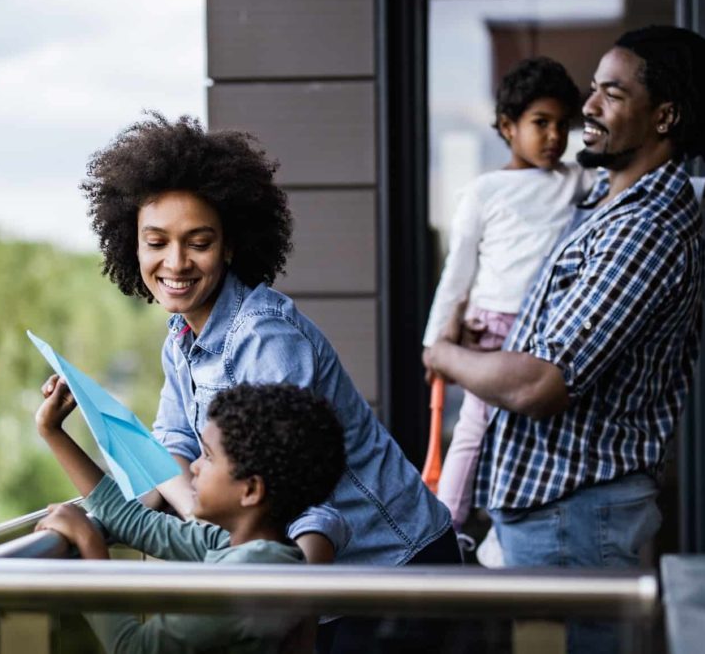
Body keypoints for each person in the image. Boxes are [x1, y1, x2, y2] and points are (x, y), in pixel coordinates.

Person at [83, 113, 459, 650]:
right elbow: (171, 450)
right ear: (131, 245)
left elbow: (308, 502)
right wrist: (110, 516)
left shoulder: (265, 340)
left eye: (199, 241)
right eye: (156, 242)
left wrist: (288, 621)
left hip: (391, 574)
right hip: (312, 583)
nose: (176, 261)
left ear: (231, 246)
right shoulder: (181, 338)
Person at [423, 26, 705, 653]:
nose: (586, 109)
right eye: (591, 91)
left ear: (664, 116)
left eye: (611, 94)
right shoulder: (607, 201)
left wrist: (445, 355)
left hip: (573, 522)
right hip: (555, 518)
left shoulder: (644, 230)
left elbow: (543, 384)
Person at [34, 381, 346, 653]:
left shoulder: (252, 575)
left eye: (208, 456)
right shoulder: (237, 546)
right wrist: (52, 431)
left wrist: (90, 542)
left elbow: (135, 648)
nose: (193, 467)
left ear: (250, 490)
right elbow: (135, 522)